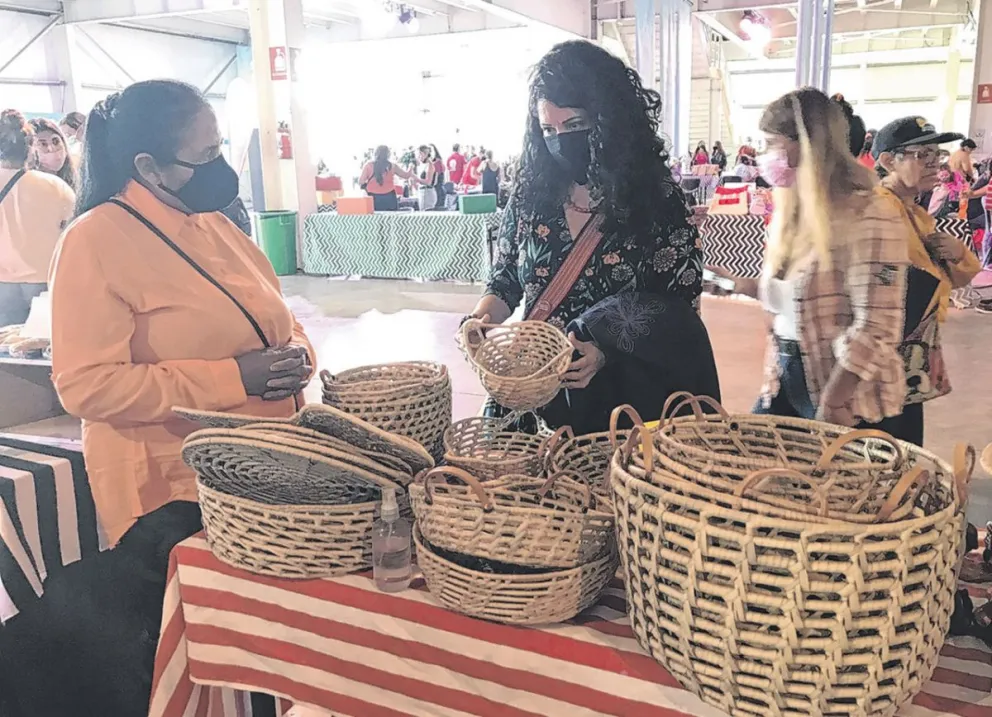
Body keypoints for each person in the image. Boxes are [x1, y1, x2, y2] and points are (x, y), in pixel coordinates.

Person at [1, 80, 315, 717]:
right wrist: (236, 379)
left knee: (263, 649)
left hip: (265, 470)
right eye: (204, 157)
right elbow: (87, 384)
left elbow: (275, 317)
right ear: (147, 166)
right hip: (170, 491)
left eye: (219, 148)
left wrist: (297, 357)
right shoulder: (95, 239)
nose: (219, 168)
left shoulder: (216, 225)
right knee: (199, 657)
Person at [464, 40, 717, 434]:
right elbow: (506, 278)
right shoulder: (532, 194)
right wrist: (483, 318)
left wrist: (603, 352)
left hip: (618, 408)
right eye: (548, 129)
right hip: (531, 398)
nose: (560, 140)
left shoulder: (658, 202)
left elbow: (678, 311)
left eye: (576, 126)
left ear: (610, 121)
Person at [709, 88, 910, 434]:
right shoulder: (793, 213)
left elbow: (879, 323)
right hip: (785, 376)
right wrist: (736, 285)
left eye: (773, 143)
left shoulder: (869, 214)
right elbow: (797, 299)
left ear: (807, 144)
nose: (765, 155)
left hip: (842, 389)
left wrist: (834, 401)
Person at [872, 116, 981, 443]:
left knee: (903, 430)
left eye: (937, 155)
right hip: (886, 344)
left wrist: (956, 252)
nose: (936, 164)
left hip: (911, 343)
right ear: (889, 161)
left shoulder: (915, 213)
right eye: (923, 156)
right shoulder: (879, 209)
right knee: (886, 435)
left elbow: (955, 278)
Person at [0, 110, 75, 327]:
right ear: (29, 148)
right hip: (47, 283)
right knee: (45, 347)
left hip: (2, 287)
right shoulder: (55, 187)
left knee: (6, 352)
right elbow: (73, 230)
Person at [359, 145, 419, 211]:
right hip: (390, 197)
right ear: (388, 154)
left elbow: (361, 181)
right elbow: (406, 175)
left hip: (373, 197)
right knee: (391, 219)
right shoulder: (392, 166)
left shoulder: (368, 165)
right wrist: (411, 167)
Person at [28, 117, 76, 190]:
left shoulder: (76, 179)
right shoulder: (29, 186)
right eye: (43, 144)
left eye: (56, 142)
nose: (52, 148)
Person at [415, 144, 437, 211]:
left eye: (418, 154)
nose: (417, 157)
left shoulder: (429, 165)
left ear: (423, 154)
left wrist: (416, 178)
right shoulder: (421, 165)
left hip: (427, 192)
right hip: (422, 192)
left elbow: (428, 181)